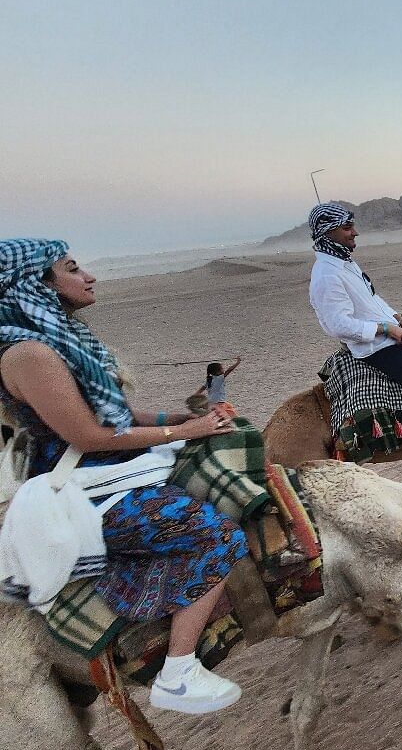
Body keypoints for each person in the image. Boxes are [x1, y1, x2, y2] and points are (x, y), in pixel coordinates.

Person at [0, 238, 248, 714]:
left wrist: (187, 417)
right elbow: (90, 435)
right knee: (214, 535)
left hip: (119, 467)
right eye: (73, 269)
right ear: (36, 284)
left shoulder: (60, 342)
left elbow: (117, 411)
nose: (88, 276)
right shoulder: (28, 355)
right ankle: (178, 672)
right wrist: (185, 428)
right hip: (88, 488)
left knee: (227, 451)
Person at [307, 203, 402, 476]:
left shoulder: (344, 262)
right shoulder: (327, 275)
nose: (355, 232)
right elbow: (338, 324)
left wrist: (396, 316)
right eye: (347, 227)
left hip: (386, 334)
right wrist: (385, 329)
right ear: (328, 232)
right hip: (376, 348)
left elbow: (371, 299)